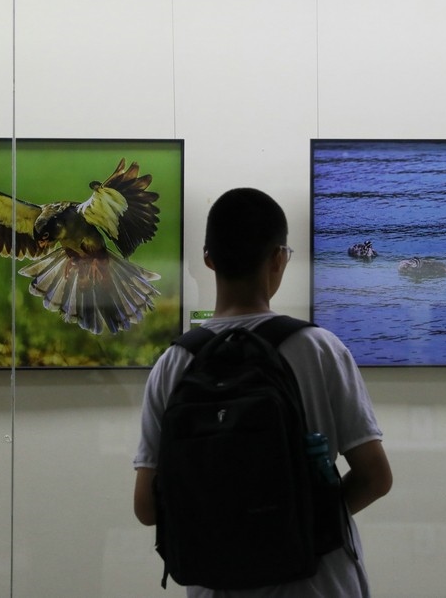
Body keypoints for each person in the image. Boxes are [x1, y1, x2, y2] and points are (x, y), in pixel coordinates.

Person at [133, 187, 393, 597]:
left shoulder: (173, 364)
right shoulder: (320, 349)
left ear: (208, 258)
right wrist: (304, 518)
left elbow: (147, 508)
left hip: (213, 584)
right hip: (316, 584)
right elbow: (375, 478)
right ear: (278, 258)